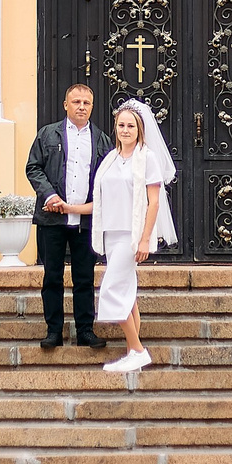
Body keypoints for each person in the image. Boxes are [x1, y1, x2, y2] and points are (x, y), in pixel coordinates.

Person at [79, 97, 177, 374]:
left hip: (130, 234)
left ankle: (137, 350)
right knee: (127, 292)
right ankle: (132, 350)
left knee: (112, 288)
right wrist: (70, 207)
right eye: (121, 125)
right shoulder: (111, 158)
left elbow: (154, 202)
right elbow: (100, 199)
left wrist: (145, 238)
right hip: (111, 232)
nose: (125, 130)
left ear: (139, 129)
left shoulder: (148, 158)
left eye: (130, 126)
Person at [24, 82, 111, 350]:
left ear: (92, 107)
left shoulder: (102, 140)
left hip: (85, 222)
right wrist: (49, 196)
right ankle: (54, 331)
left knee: (84, 277)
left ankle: (85, 330)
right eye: (76, 102)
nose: (81, 107)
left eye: (86, 103)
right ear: (66, 105)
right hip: (53, 220)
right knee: (52, 276)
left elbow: (107, 178)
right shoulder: (48, 135)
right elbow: (33, 167)